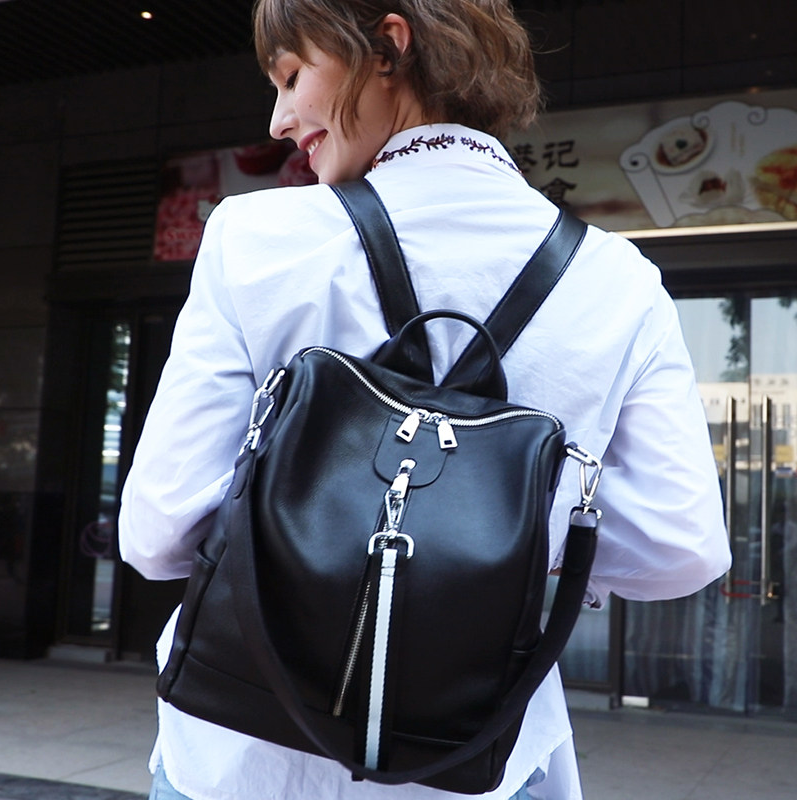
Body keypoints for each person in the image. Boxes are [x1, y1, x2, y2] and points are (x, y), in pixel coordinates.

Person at [118, 1, 732, 798]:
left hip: (240, 755)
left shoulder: (254, 236)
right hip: (475, 753)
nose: (278, 120)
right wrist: (503, 537)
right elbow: (682, 547)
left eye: (292, 76)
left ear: (387, 46)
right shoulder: (620, 281)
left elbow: (159, 531)